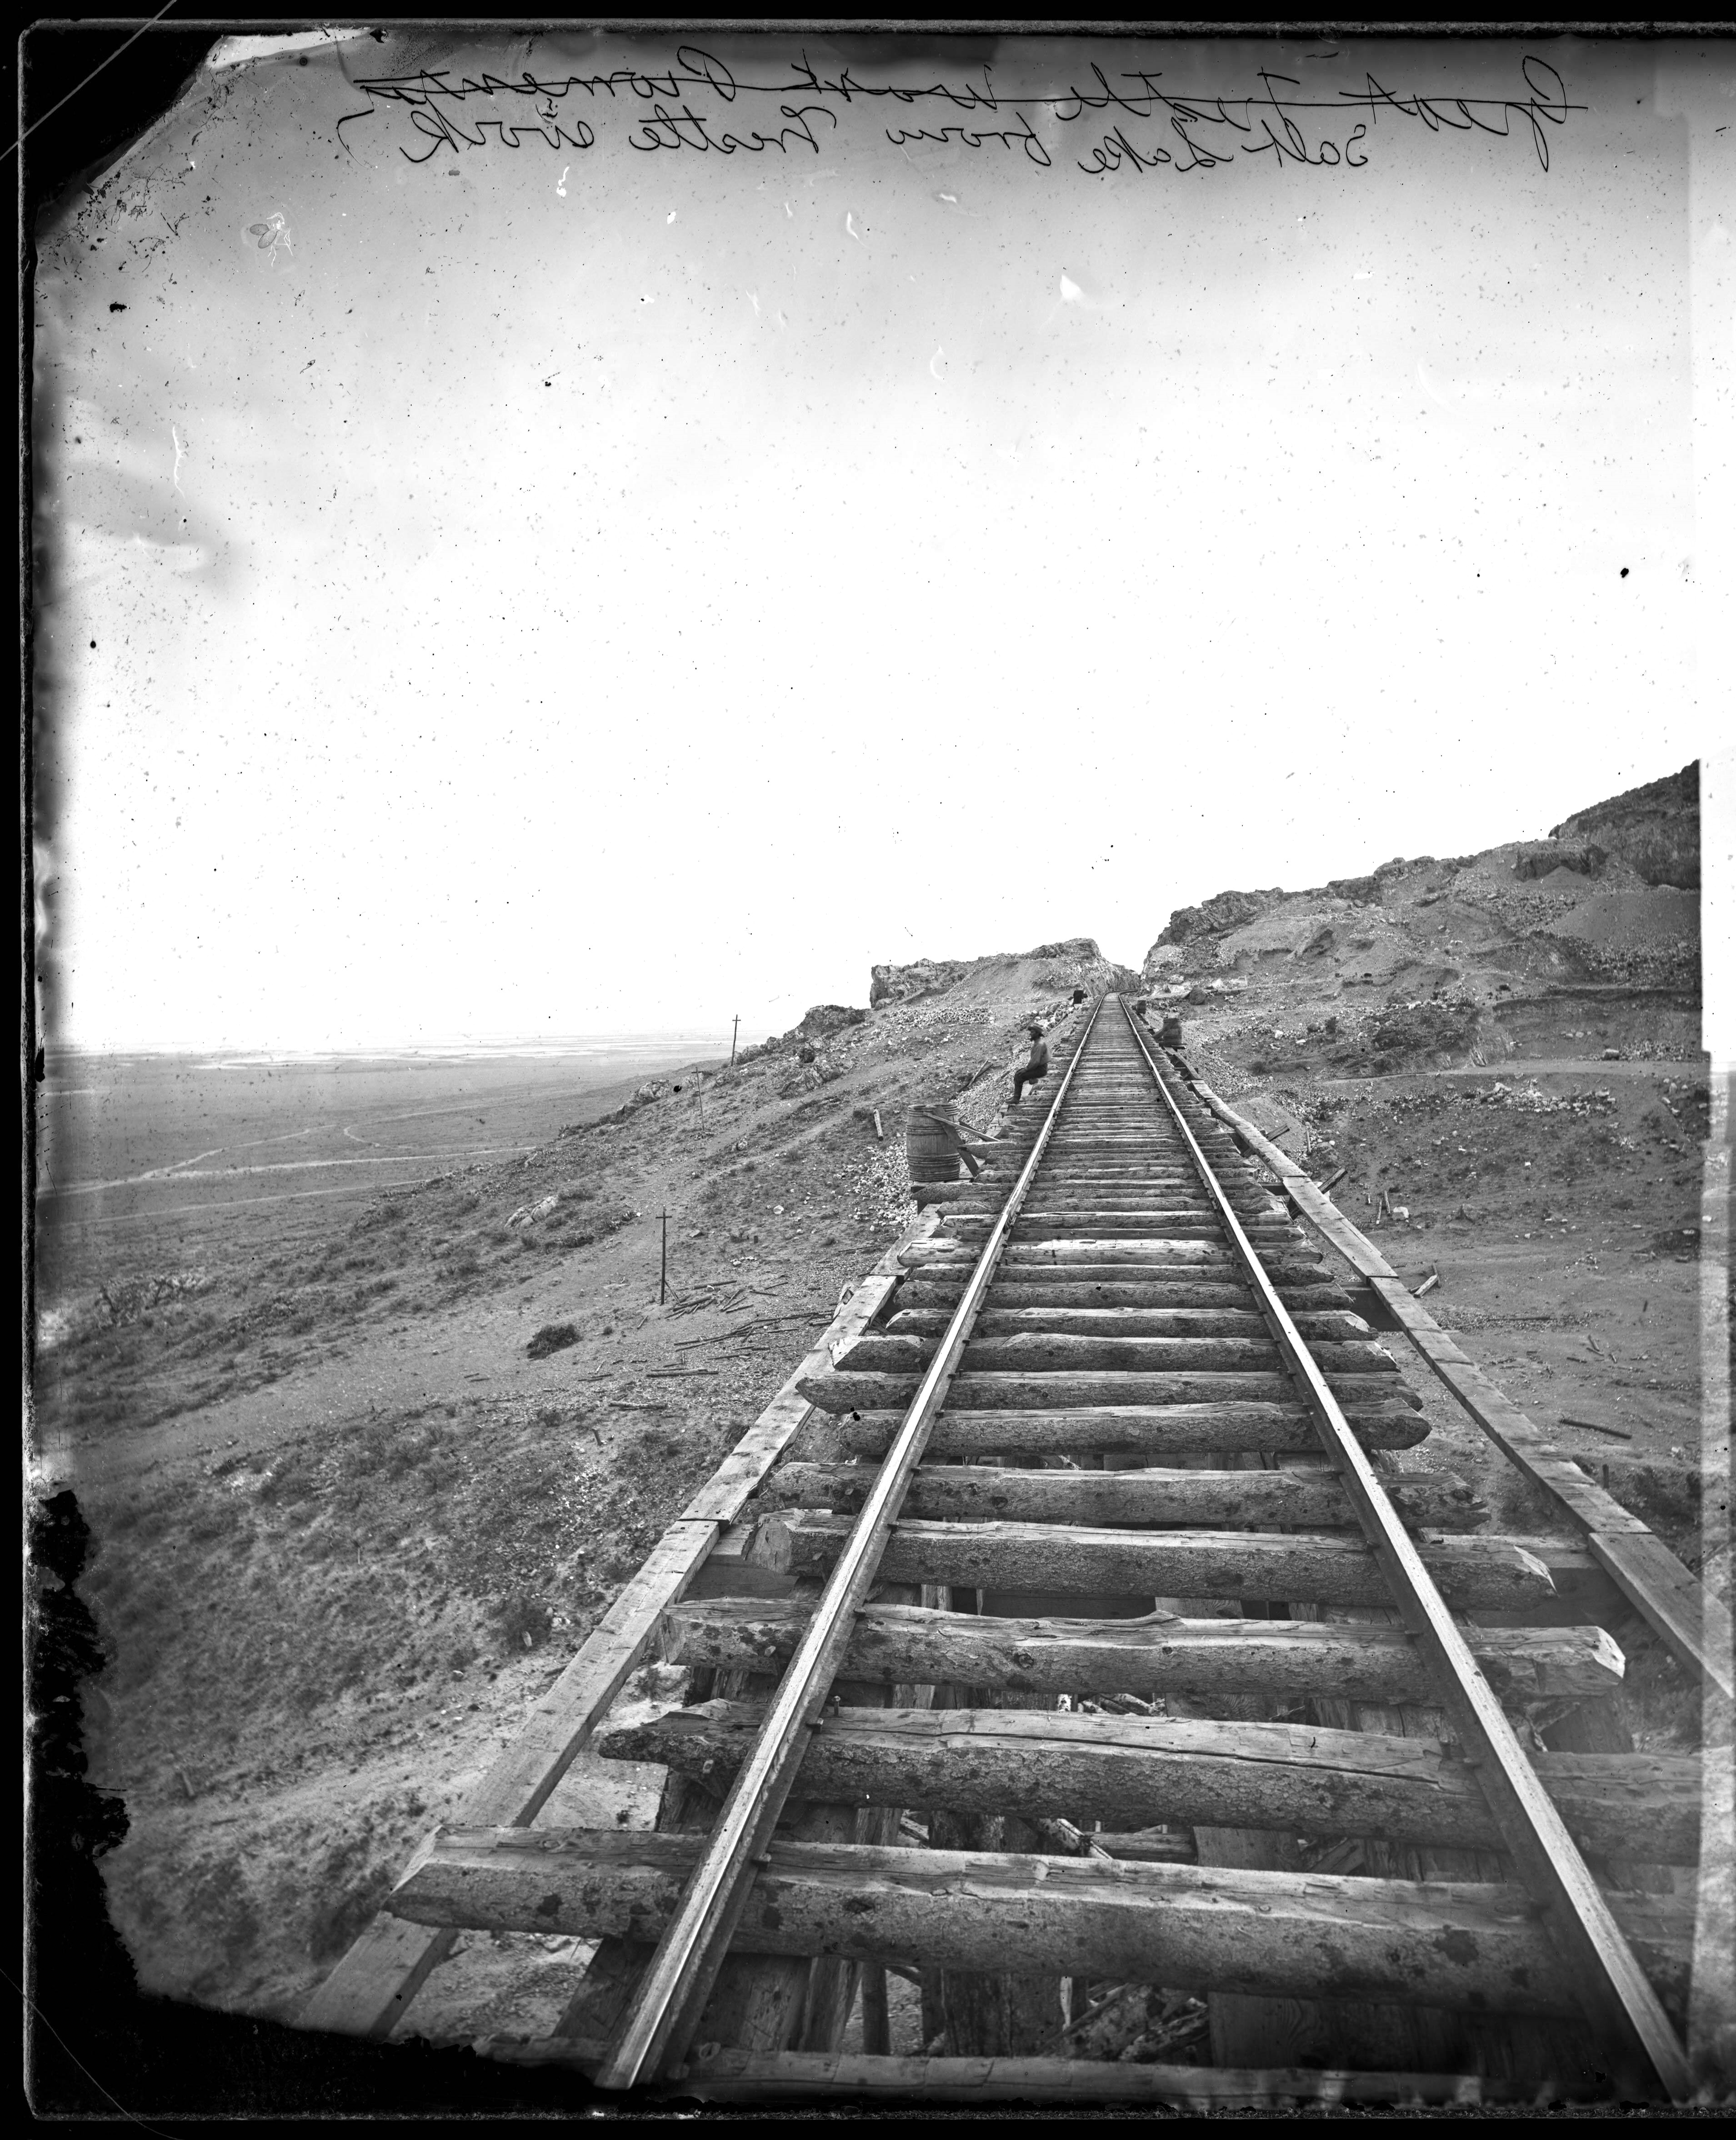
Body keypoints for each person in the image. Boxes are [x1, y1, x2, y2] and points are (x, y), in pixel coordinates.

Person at [1011, 1023, 1049, 1105]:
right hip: (1040, 1068)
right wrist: (1027, 1069)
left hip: (1041, 1070)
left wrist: (1026, 1069)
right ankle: (1015, 1096)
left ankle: (1016, 1099)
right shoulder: (1038, 1043)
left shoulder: (1039, 1045)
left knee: (1019, 1076)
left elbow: (1035, 1062)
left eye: (1032, 1032)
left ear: (1037, 1034)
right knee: (1019, 1073)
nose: (1030, 1034)